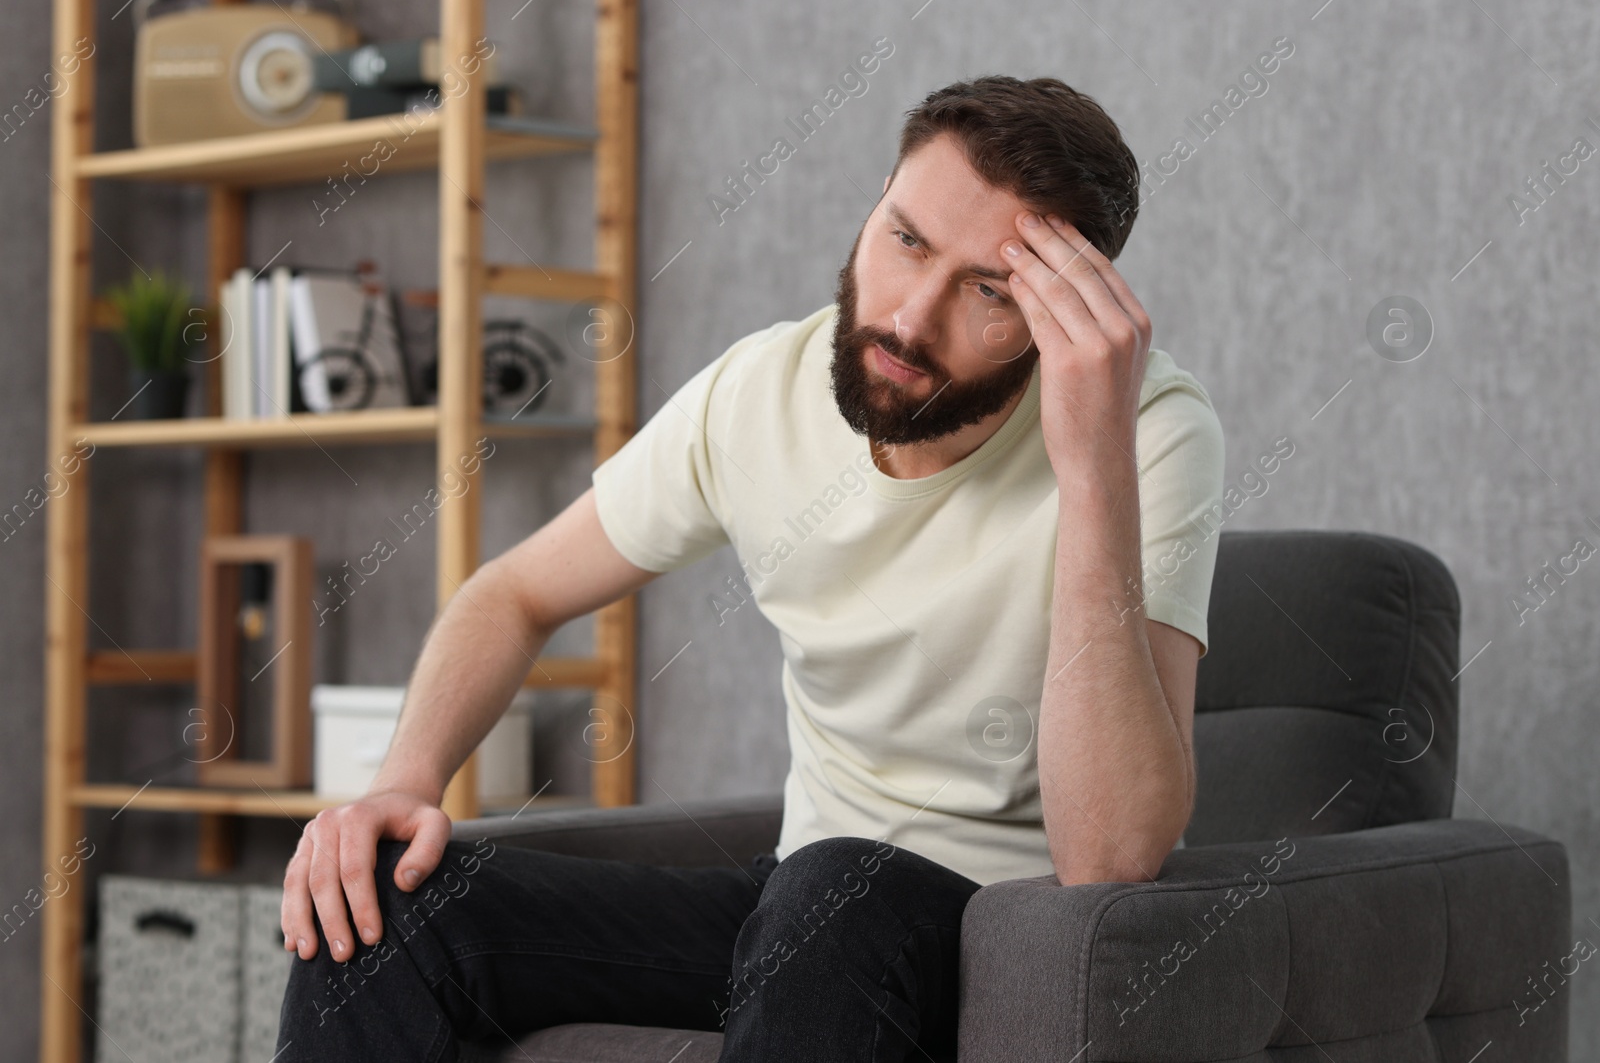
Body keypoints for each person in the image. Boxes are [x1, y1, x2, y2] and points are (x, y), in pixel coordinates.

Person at [275, 74, 1226, 1062]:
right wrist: (405, 775)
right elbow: (512, 593)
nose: (907, 316)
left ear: (1065, 313)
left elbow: (1110, 852)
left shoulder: (1146, 430)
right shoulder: (759, 389)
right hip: (798, 912)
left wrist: (1089, 464)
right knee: (386, 899)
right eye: (904, 239)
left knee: (830, 888)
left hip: (1006, 931)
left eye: (987, 291)